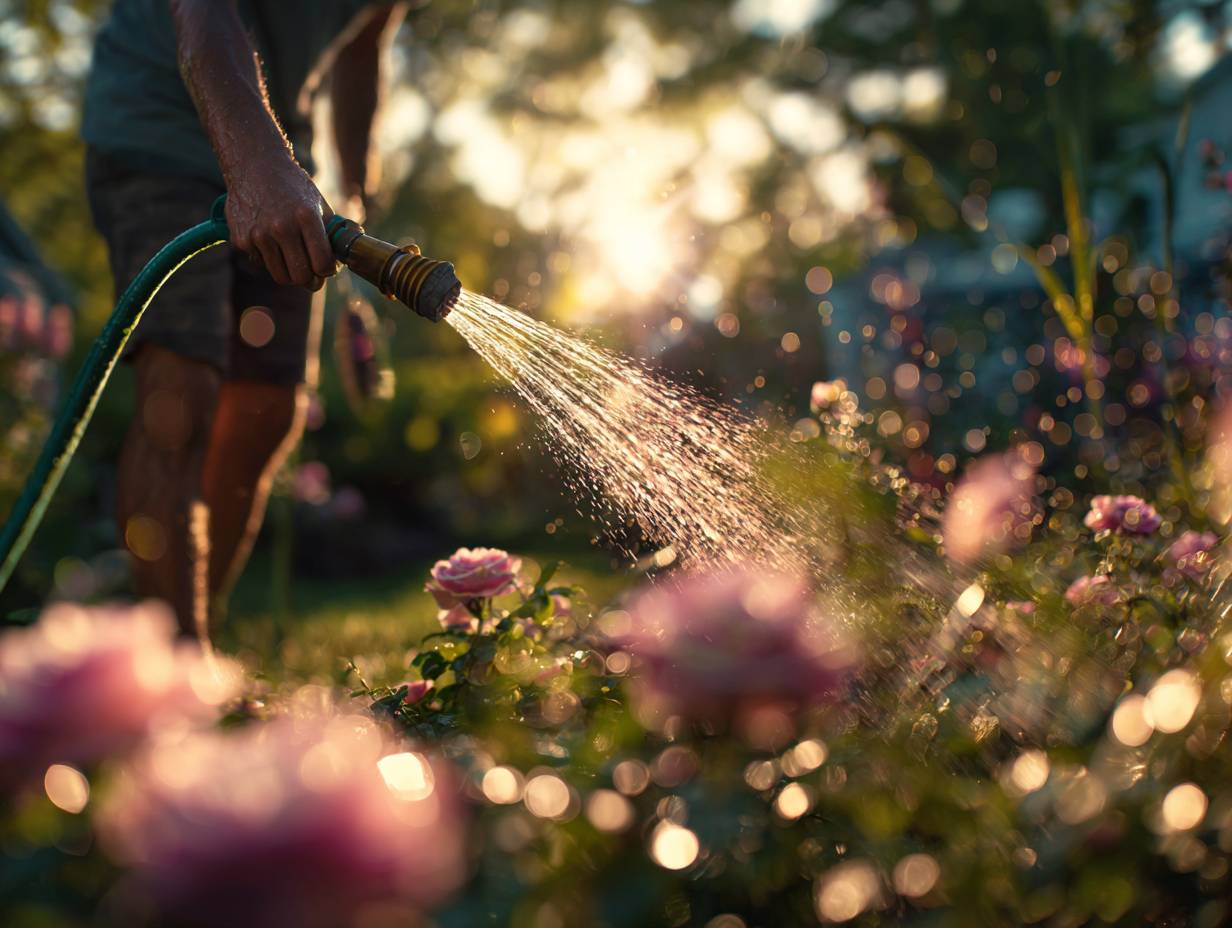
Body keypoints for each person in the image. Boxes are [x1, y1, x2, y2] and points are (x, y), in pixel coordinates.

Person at [81, 0, 405, 638]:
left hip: (286, 155)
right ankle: (176, 665)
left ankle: (188, 637)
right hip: (160, 125)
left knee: (268, 407)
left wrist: (357, 188)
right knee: (179, 399)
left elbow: (365, 41)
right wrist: (255, 164)